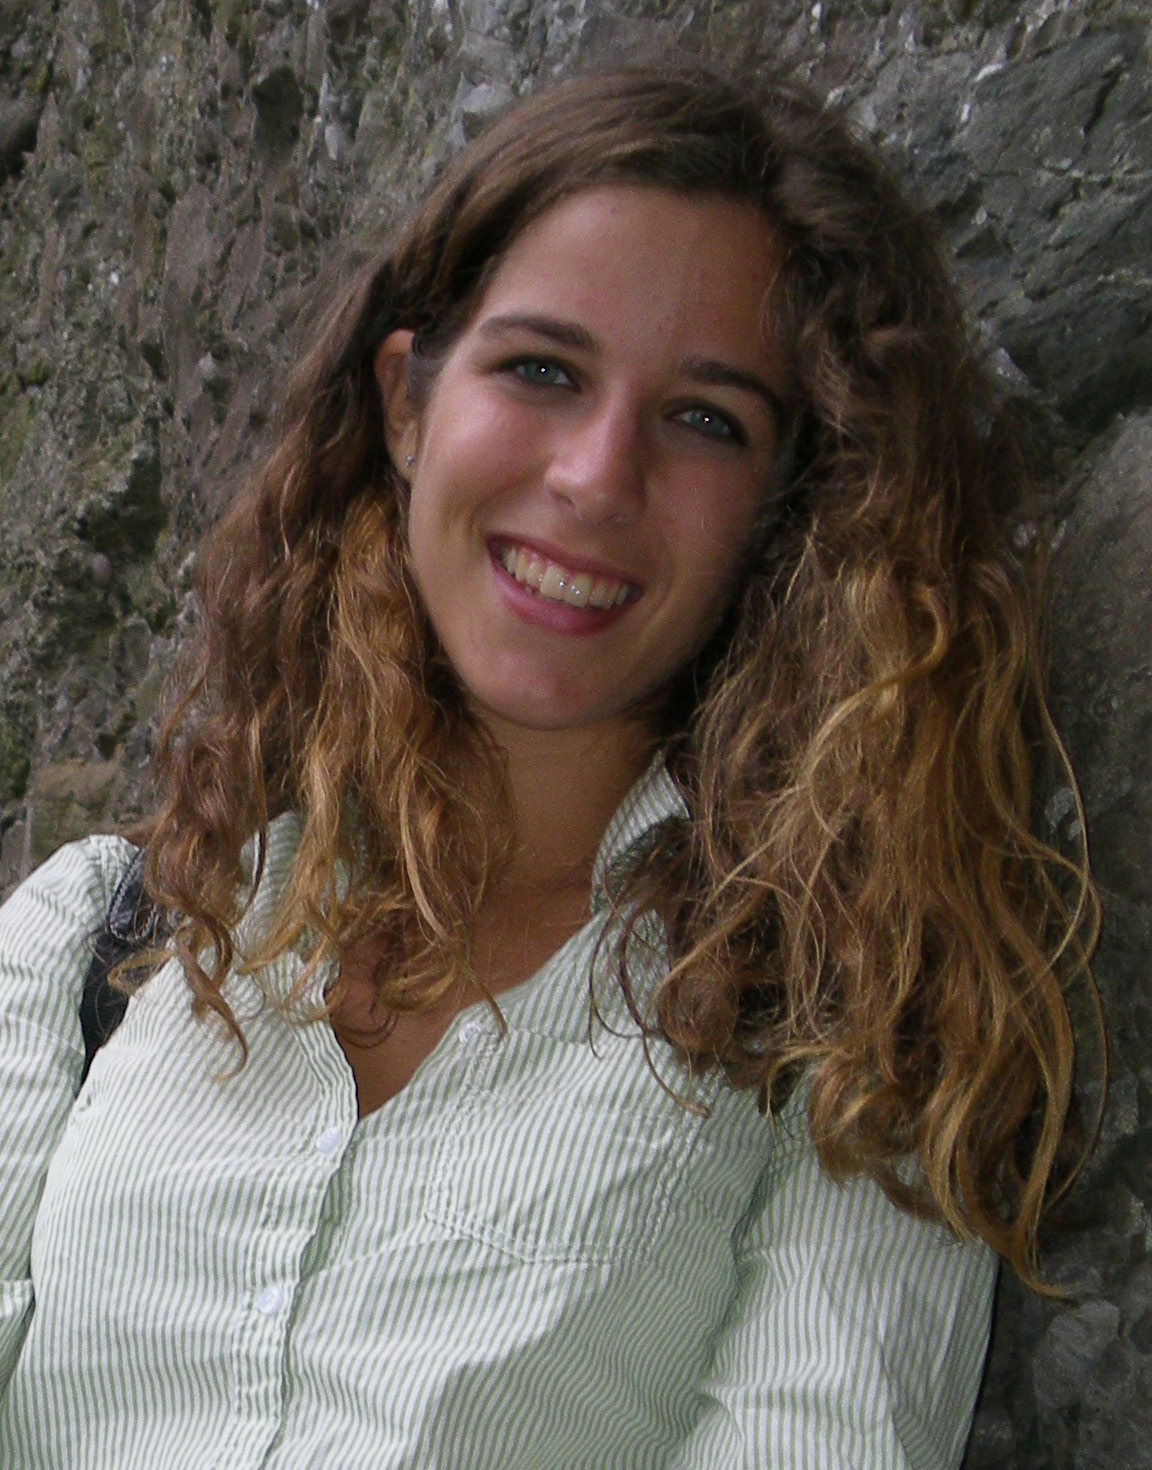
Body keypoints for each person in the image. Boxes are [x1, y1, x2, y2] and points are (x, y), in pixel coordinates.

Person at [0, 64, 1096, 1468]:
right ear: (406, 402)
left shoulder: (847, 1044)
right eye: (541, 370)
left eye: (706, 418)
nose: (595, 474)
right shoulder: (97, 939)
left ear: (789, 508)